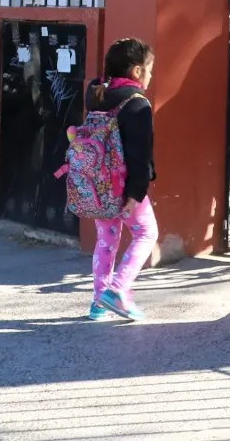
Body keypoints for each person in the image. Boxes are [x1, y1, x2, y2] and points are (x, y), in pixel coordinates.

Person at [86, 38, 158, 322]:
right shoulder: (137, 104)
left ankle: (98, 303)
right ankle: (117, 290)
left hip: (97, 182)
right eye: (150, 69)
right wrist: (136, 193)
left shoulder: (97, 96)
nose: (152, 75)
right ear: (138, 71)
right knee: (146, 233)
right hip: (124, 185)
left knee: (106, 240)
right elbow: (139, 154)